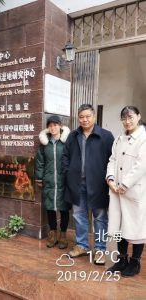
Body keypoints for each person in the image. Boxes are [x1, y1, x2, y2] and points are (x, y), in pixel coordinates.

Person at [62, 104, 114, 264]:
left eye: (87, 116)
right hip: (77, 184)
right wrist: (68, 172)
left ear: (94, 117)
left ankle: (100, 249)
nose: (84, 120)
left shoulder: (106, 136)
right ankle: (82, 245)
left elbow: (113, 159)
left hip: (98, 185)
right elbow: (65, 156)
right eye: (81, 117)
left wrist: (109, 178)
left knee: (100, 218)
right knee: (79, 216)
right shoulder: (73, 135)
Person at [106, 106, 146, 277]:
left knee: (137, 227)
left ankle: (135, 262)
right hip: (116, 191)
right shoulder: (119, 138)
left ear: (138, 116)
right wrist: (110, 179)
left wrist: (125, 184)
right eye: (124, 118)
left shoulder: (143, 138)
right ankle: (121, 259)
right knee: (119, 227)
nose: (127, 121)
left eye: (130, 117)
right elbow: (112, 159)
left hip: (134, 191)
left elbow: (142, 165)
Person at [35, 115, 71, 249]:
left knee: (64, 209)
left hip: (63, 181)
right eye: (50, 125)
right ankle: (52, 234)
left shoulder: (66, 142)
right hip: (49, 181)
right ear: (48, 128)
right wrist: (39, 177)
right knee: (50, 208)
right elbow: (40, 162)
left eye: (55, 125)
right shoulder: (45, 145)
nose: (53, 127)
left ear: (60, 126)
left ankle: (63, 235)